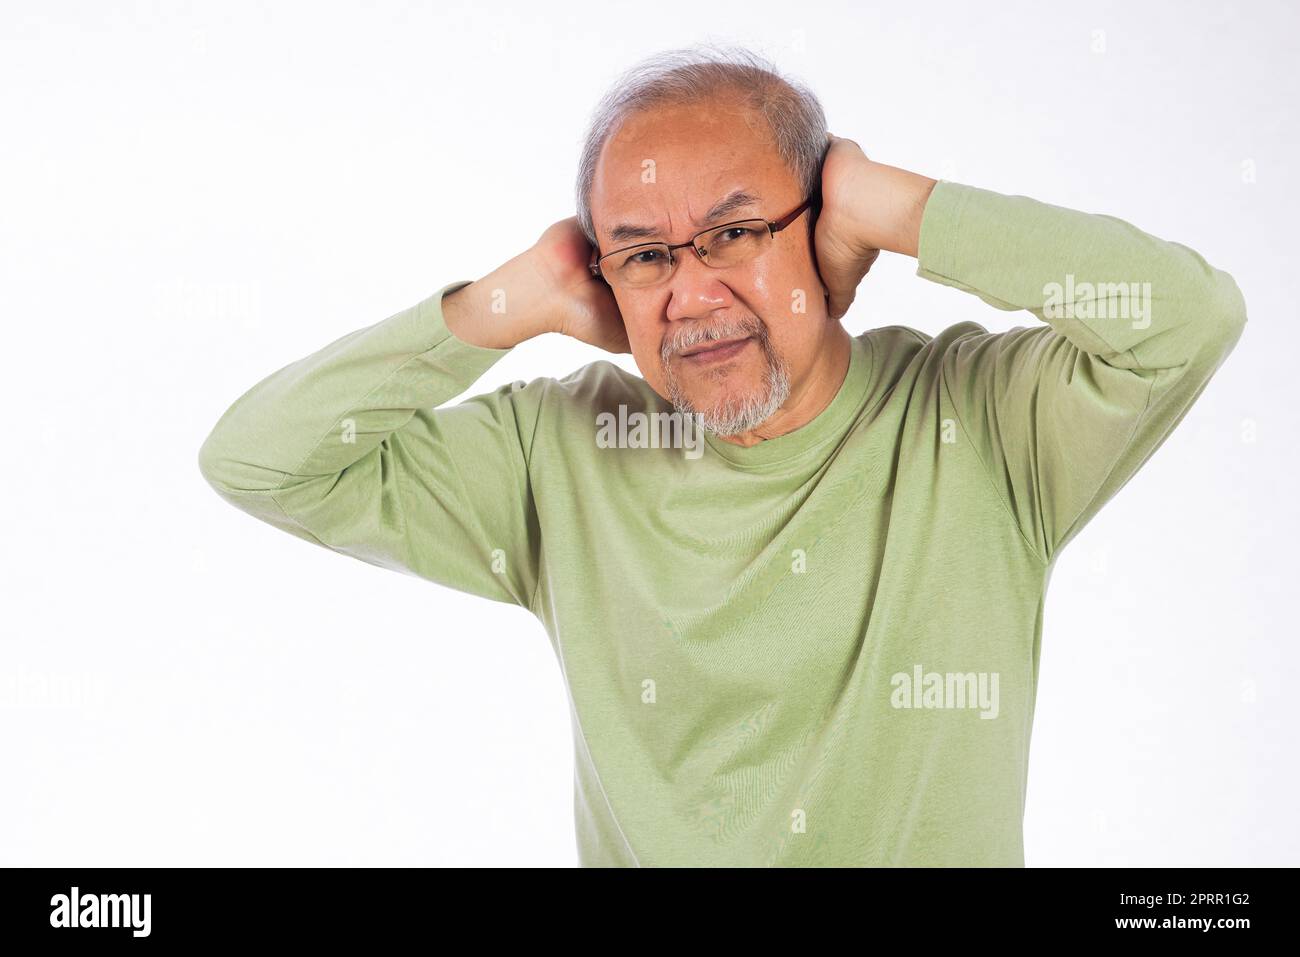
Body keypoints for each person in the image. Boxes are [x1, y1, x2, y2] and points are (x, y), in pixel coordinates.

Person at [198, 45, 1247, 866]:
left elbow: (1186, 317)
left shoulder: (983, 420)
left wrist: (897, 208)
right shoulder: (555, 451)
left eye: (735, 234)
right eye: (645, 255)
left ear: (820, 228)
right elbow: (260, 461)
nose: (691, 296)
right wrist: (499, 305)